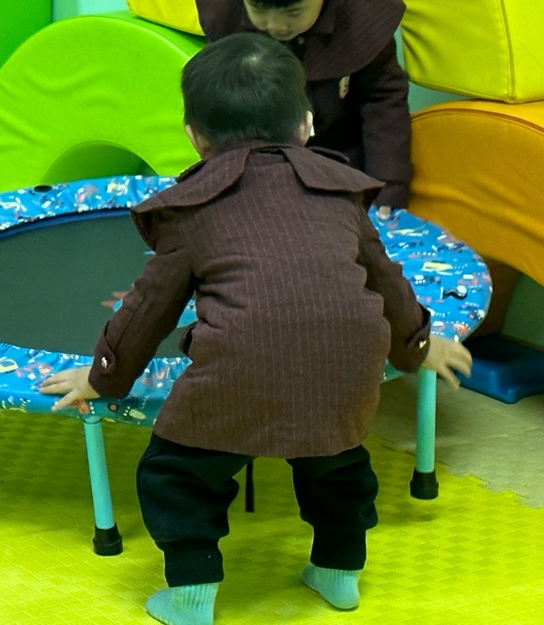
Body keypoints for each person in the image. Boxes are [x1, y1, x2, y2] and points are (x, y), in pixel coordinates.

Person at [41, 33, 472, 622]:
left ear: (194, 136)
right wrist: (418, 344)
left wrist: (103, 377)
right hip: (346, 367)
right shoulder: (341, 193)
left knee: (177, 474)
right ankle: (339, 572)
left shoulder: (190, 208)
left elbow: (148, 309)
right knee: (338, 465)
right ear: (307, 124)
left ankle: (193, 595)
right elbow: (386, 280)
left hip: (238, 372)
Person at [194, 0, 411, 210]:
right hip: (256, 166)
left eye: (293, 12)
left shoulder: (361, 18)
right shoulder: (226, 8)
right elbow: (224, 108)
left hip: (341, 165)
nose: (275, 25)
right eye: (258, 9)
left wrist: (386, 192)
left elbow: (384, 106)